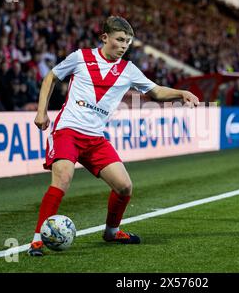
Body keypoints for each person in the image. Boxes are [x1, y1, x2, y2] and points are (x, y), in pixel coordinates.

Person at [28, 16, 199, 256]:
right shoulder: (81, 57)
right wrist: (41, 112)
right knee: (63, 177)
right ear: (104, 38)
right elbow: (51, 77)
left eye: (128, 42)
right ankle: (37, 240)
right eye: (119, 40)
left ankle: (111, 231)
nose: (123, 45)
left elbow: (157, 92)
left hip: (95, 139)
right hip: (67, 131)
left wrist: (181, 93)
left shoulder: (128, 70)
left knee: (124, 186)